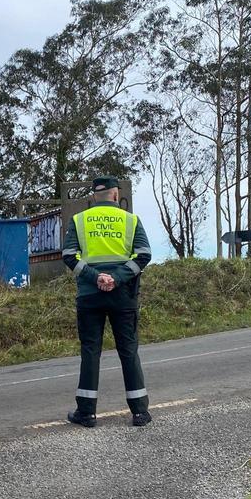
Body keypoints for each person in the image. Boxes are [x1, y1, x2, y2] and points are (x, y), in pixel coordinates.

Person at [62, 176, 153, 428]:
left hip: (90, 296)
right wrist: (117, 278)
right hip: (123, 296)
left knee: (90, 352)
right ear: (115, 195)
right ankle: (139, 413)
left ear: (93, 197)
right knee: (128, 351)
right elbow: (144, 254)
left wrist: (95, 276)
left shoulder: (80, 220)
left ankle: (86, 413)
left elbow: (69, 256)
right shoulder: (131, 220)